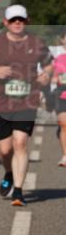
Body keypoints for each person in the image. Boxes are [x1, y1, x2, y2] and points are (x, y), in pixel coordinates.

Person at [0, 5, 54, 206]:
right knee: (4, 150)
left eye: (20, 19)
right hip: (1, 103)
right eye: (13, 20)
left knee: (20, 142)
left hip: (27, 101)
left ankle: (18, 191)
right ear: (6, 23)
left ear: (27, 21)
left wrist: (47, 74)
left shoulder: (36, 43)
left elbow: (49, 63)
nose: (17, 23)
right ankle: (9, 173)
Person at [52, 31, 66, 168]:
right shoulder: (59, 59)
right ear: (62, 41)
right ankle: (65, 155)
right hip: (62, 96)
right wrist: (55, 79)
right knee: (64, 125)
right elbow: (53, 77)